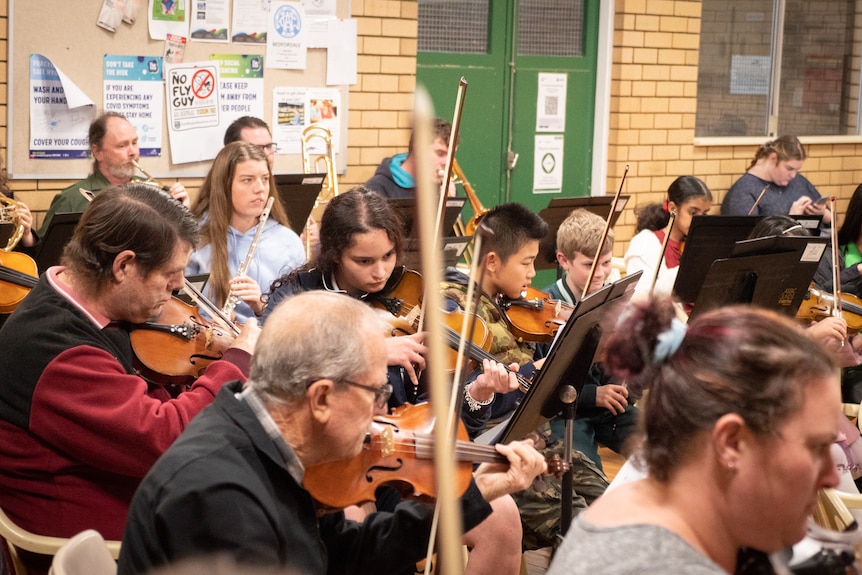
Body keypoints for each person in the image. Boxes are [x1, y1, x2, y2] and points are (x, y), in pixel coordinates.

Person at [118, 290, 547, 575]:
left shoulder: (270, 446)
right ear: (321, 398)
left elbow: (346, 553)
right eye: (377, 392)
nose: (384, 411)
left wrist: (473, 494)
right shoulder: (219, 495)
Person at [263, 188, 528, 575]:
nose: (381, 272)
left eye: (388, 256)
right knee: (360, 532)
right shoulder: (295, 299)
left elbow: (432, 422)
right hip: (325, 471)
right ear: (335, 253)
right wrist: (371, 352)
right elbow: (277, 375)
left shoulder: (409, 300)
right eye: (364, 261)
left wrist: (478, 392)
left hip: (395, 468)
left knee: (501, 516)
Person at [0, 184, 259, 575]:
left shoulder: (94, 311)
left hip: (123, 492)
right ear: (123, 266)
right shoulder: (53, 347)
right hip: (96, 537)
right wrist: (236, 361)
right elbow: (166, 437)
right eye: (170, 275)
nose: (177, 289)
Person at [547, 299, 842, 575]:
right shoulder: (657, 565)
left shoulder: (636, 513)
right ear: (731, 442)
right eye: (816, 447)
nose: (832, 477)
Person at [438, 203, 610, 552]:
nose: (533, 275)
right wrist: (544, 367)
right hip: (503, 453)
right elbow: (456, 400)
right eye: (526, 262)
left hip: (541, 441)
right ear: (492, 262)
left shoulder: (506, 301)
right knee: (585, 535)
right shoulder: (458, 308)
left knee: (617, 507)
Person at [544, 209, 639, 471]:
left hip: (608, 408)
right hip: (566, 414)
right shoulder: (545, 307)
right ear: (563, 260)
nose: (600, 274)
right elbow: (541, 388)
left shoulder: (612, 298)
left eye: (606, 262)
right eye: (589, 265)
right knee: (586, 473)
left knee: (667, 448)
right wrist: (592, 395)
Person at [186, 141, 304, 324]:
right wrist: (207, 322)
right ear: (225, 186)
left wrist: (261, 305)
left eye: (265, 179)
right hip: (204, 345)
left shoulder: (288, 242)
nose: (260, 189)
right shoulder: (194, 240)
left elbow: (298, 320)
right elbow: (178, 307)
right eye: (247, 180)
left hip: (264, 346)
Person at [38, 112, 189, 235]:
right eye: (122, 145)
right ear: (98, 152)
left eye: (134, 143)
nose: (133, 152)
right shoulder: (71, 199)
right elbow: (44, 252)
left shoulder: (153, 193)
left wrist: (182, 212)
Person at [224, 115, 319, 254]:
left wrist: (308, 242)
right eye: (255, 148)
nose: (266, 154)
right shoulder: (221, 195)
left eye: (269, 146)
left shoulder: (291, 189)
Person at [624, 175, 713, 298]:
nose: (700, 220)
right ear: (673, 209)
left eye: (704, 213)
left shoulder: (701, 243)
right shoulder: (645, 243)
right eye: (693, 213)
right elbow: (641, 297)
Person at [721, 135, 831, 227]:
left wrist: (823, 214)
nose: (793, 175)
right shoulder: (744, 191)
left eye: (797, 170)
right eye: (789, 169)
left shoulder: (798, 181)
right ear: (773, 158)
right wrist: (791, 219)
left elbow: (833, 221)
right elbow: (748, 238)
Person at [365, 117, 455, 199]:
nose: (447, 162)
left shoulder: (443, 186)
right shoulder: (378, 187)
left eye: (450, 155)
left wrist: (451, 204)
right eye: (440, 153)